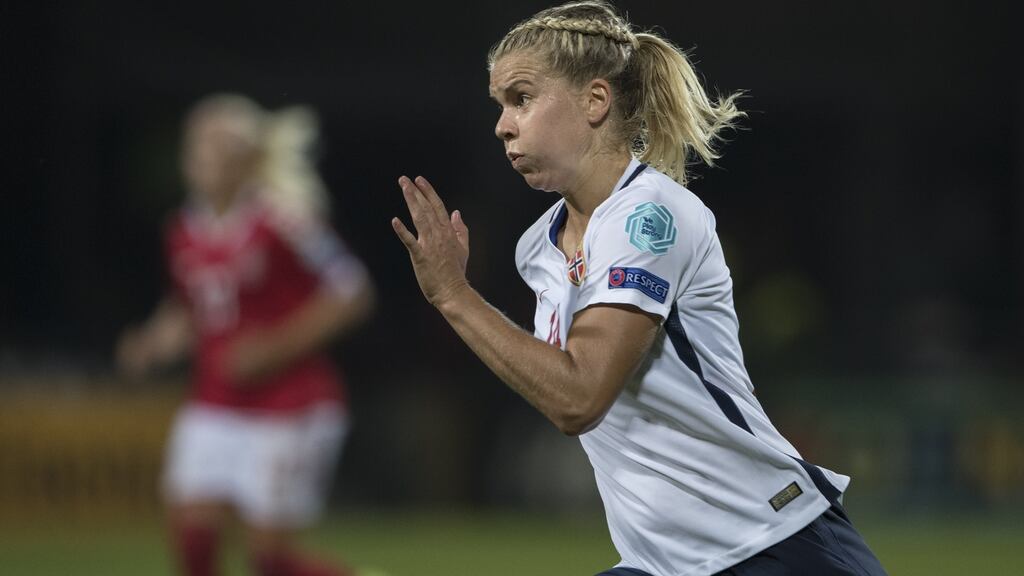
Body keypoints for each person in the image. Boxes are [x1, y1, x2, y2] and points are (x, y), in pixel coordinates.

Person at [391, 2, 888, 575]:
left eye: (521, 98)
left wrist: (454, 295)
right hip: (666, 562)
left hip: (770, 543)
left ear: (595, 101)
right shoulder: (538, 246)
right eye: (500, 105)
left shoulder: (650, 216)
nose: (503, 124)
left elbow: (579, 398)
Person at [117, 93, 375, 576]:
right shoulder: (182, 228)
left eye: (215, 145)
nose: (200, 156)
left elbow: (352, 292)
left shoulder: (285, 220)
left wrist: (274, 348)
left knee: (270, 561)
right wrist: (152, 342)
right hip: (215, 401)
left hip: (289, 404)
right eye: (195, 144)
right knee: (193, 539)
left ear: (246, 158)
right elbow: (194, 308)